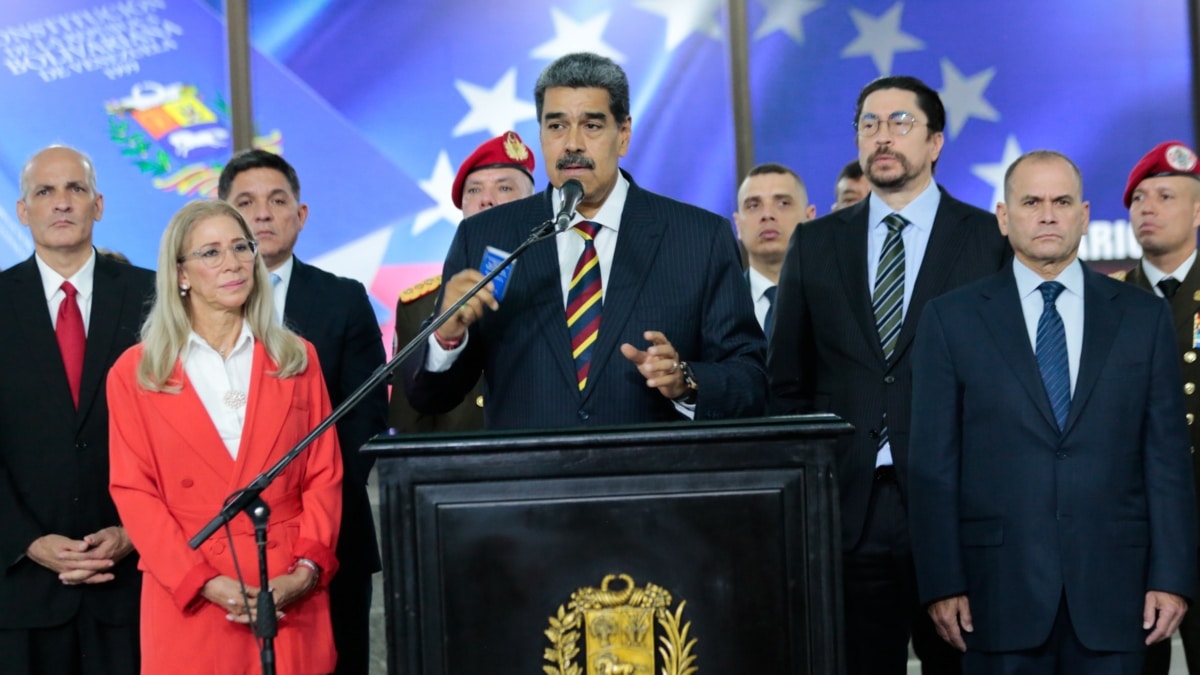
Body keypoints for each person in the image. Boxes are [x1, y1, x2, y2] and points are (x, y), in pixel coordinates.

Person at [909, 149, 1197, 673]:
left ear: (1084, 215)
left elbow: (1166, 459)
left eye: (1062, 201)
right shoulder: (951, 320)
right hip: (994, 594)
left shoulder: (1142, 317)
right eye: (1031, 201)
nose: (1047, 214)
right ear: (1003, 216)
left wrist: (1172, 576)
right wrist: (942, 581)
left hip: (1118, 593)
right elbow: (933, 466)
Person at [768, 75, 1009, 675]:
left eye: (901, 123)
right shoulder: (816, 242)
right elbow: (786, 383)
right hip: (848, 514)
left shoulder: (988, 240)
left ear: (935, 143)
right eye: (869, 124)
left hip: (960, 513)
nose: (882, 137)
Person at [402, 51, 766, 429]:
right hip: (527, 482)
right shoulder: (487, 236)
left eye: (591, 126)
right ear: (541, 133)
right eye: (556, 127)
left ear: (623, 135)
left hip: (652, 480)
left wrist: (686, 380)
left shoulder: (697, 237)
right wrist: (446, 337)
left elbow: (751, 379)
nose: (572, 144)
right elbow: (430, 398)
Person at [107, 199, 343, 674]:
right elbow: (134, 493)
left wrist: (305, 571)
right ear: (181, 274)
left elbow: (325, 476)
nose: (233, 262)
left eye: (241, 247)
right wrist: (203, 583)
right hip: (190, 593)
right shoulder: (136, 372)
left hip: (287, 591)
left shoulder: (298, 358)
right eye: (211, 252)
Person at [217, 149, 387, 675]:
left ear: (301, 214)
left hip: (330, 534)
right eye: (246, 202)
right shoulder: (195, 308)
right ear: (223, 217)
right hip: (223, 542)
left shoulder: (343, 299)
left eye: (277, 200)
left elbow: (364, 417)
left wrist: (310, 510)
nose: (263, 213)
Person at [0, 145, 153, 675]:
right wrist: (28, 541)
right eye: (45, 191)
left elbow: (184, 431)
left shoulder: (154, 298)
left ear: (99, 205)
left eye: (76, 189)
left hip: (135, 584)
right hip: (20, 589)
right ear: (23, 210)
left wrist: (136, 531)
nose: (62, 203)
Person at [1115, 140, 1200, 675]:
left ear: (1197, 211)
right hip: (1135, 536)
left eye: (1165, 195)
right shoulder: (1107, 303)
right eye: (1138, 198)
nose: (1147, 208)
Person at [388, 130, 536, 433]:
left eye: (505, 187)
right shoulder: (420, 305)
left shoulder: (561, 286)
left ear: (534, 205)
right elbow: (409, 422)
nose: (486, 200)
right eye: (474, 191)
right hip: (456, 472)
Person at [732, 162, 815, 337]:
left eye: (783, 203)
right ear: (738, 225)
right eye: (754, 205)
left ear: (809, 217)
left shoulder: (840, 299)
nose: (767, 215)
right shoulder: (722, 305)